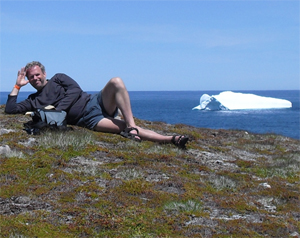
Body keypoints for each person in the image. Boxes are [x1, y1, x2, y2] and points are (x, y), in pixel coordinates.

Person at [5, 61, 189, 148]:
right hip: (88, 119)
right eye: (31, 77)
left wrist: (58, 109)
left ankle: (132, 127)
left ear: (44, 74)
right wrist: (17, 86)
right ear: (28, 80)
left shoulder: (59, 78)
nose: (35, 78)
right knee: (122, 127)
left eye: (38, 74)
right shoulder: (33, 100)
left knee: (116, 81)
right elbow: (11, 109)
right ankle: (172, 139)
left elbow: (75, 91)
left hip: (95, 102)